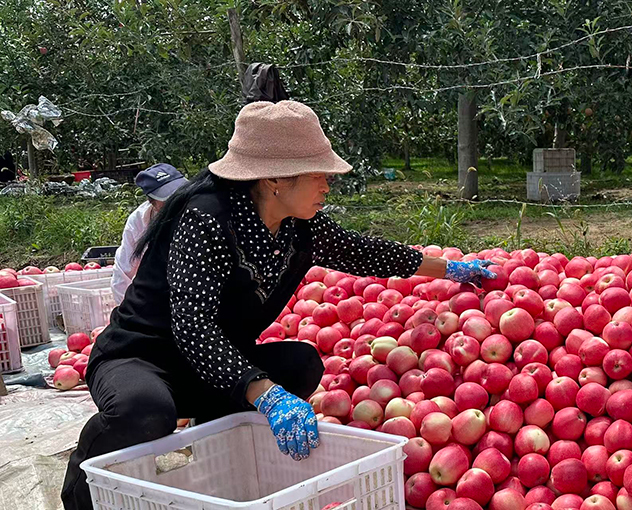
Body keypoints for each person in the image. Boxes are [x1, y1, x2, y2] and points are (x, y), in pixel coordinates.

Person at [61, 100, 496, 510]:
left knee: (300, 365)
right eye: (317, 174)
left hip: (215, 366)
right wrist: (265, 394)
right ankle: (81, 487)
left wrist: (452, 269)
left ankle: (215, 459)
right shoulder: (206, 219)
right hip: (143, 358)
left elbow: (363, 252)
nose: (327, 185)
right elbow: (193, 327)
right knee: (145, 412)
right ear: (274, 179)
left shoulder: (297, 225)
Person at [111, 164, 188, 304]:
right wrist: (126, 310)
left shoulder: (197, 211)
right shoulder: (139, 222)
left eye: (179, 193)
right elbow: (124, 272)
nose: (176, 201)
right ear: (151, 201)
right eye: (167, 198)